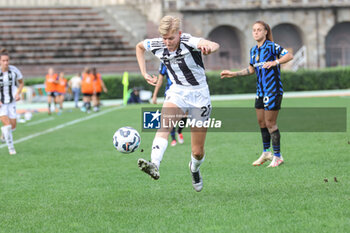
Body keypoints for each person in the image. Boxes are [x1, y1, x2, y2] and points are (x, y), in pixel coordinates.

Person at [136, 15, 219, 192]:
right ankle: (154, 164)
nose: (167, 42)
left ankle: (194, 168)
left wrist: (208, 48)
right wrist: (144, 73)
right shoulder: (158, 44)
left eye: (171, 38)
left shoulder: (189, 41)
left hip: (199, 95)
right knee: (164, 126)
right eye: (165, 38)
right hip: (177, 91)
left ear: (179, 34)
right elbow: (139, 47)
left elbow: (214, 44)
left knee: (197, 151)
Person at [220, 20, 293, 167]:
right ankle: (266, 153)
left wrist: (276, 62)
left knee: (270, 123)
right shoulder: (253, 50)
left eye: (259, 30)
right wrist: (233, 74)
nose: (256, 32)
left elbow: (289, 55)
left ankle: (278, 156)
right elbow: (251, 69)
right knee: (261, 122)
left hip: (273, 90)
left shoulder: (272, 46)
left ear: (266, 32)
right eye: (254, 30)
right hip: (260, 91)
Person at [152, 62, 187, 146]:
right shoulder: (164, 62)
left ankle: (179, 132)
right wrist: (154, 95)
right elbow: (160, 79)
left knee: (185, 115)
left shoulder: (182, 58)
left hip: (184, 92)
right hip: (171, 92)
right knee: (170, 116)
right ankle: (173, 139)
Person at [0, 48, 24, 155]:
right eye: (3, 60)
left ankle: (4, 134)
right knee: (7, 124)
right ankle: (11, 148)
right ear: (0, 61)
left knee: (13, 126)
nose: (6, 62)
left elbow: (21, 83)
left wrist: (18, 93)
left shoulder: (14, 70)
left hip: (11, 102)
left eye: (7, 60)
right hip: (1, 103)